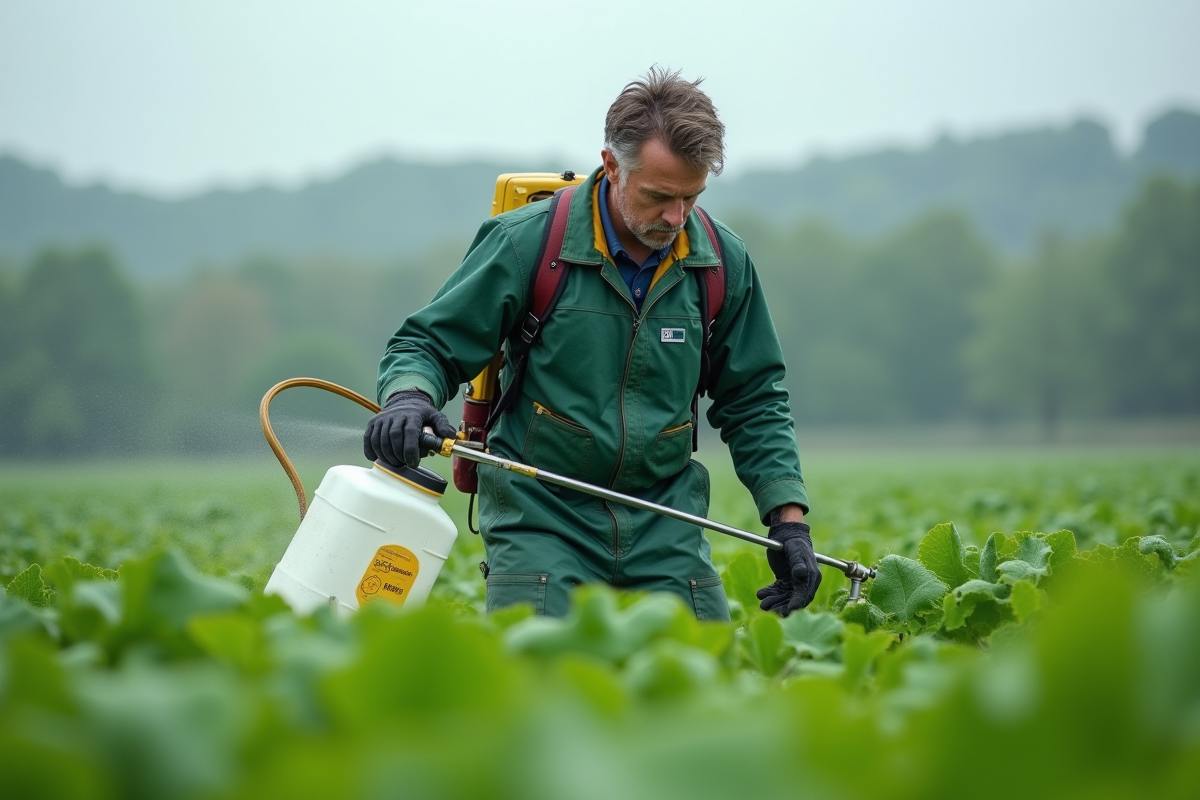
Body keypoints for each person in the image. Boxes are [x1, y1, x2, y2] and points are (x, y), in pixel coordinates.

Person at [364, 67, 819, 621]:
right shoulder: (525, 242)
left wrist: (788, 521)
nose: (676, 218)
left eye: (691, 198)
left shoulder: (722, 262)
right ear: (611, 166)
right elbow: (427, 344)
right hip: (539, 512)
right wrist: (408, 398)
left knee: (700, 684)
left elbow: (754, 397)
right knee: (540, 680)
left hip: (664, 517)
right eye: (659, 196)